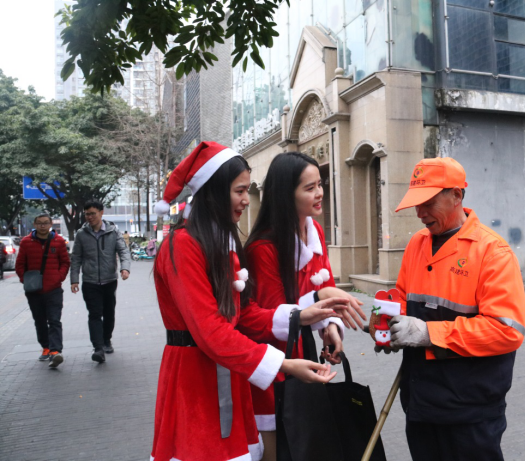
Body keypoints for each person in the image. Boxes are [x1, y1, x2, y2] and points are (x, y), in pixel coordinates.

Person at [150, 141, 352, 460]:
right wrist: (284, 363)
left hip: (233, 369)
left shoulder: (224, 242)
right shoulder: (184, 245)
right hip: (195, 375)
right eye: (239, 191)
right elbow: (210, 331)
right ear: (213, 191)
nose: (247, 200)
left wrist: (308, 316)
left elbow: (244, 317)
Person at [385, 157, 525, 461]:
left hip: (469, 410)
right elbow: (402, 295)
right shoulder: (417, 244)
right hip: (421, 403)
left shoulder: (492, 252)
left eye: (428, 203)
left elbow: (507, 330)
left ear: (457, 196)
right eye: (416, 204)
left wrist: (427, 333)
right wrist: (384, 321)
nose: (420, 214)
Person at [244, 152, 367, 458]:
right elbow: (272, 318)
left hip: (304, 356)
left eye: (320, 184)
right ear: (287, 194)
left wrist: (330, 329)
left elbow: (321, 288)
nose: (320, 193)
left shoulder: (315, 231)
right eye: (309, 188)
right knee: (279, 449)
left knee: (307, 443)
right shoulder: (263, 248)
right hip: (272, 364)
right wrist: (318, 302)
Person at [70, 200, 131, 363]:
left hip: (109, 280)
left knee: (109, 313)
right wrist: (74, 279)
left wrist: (125, 268)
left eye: (93, 213)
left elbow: (123, 251)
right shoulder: (81, 234)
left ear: (101, 212)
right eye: (87, 214)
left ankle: (106, 340)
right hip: (90, 282)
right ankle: (98, 348)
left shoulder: (113, 231)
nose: (89, 217)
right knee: (95, 314)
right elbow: (76, 258)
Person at [15, 213, 70, 368]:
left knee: (54, 320)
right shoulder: (26, 242)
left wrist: (58, 277)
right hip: (34, 291)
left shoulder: (58, 241)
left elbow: (65, 262)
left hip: (54, 289)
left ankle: (55, 351)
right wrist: (25, 281)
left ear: (51, 224)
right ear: (35, 224)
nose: (43, 226)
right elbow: (20, 265)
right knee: (39, 320)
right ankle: (45, 347)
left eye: (46, 223)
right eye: (40, 223)